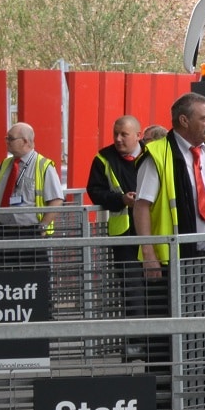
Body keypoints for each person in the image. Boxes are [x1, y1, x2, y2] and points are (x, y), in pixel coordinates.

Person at [132, 93, 205, 285]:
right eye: (204, 118)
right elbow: (141, 206)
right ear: (184, 120)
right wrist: (148, 253)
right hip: (173, 259)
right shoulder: (157, 154)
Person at [85, 115, 150, 332]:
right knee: (131, 288)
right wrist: (121, 200)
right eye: (116, 134)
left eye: (124, 134)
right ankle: (136, 342)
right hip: (124, 234)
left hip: (154, 229)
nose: (118, 139)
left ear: (138, 136)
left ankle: (158, 338)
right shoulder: (103, 158)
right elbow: (95, 192)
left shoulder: (153, 155)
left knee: (157, 285)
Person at [0, 122, 65, 235]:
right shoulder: (4, 165)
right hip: (1, 229)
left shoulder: (43, 166)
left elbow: (57, 200)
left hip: (29, 231)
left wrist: (42, 227)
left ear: (25, 141)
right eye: (6, 138)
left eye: (11, 138)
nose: (7, 142)